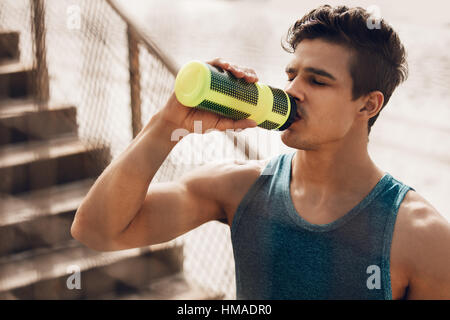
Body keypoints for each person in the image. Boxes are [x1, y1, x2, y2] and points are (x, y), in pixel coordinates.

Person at [71, 5, 450, 299]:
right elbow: (97, 230)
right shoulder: (238, 187)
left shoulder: (422, 237)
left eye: (317, 80)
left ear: (367, 106)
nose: (292, 90)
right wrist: (169, 124)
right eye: (291, 75)